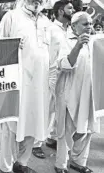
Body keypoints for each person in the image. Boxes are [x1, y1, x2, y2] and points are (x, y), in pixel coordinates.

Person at [0, 0, 52, 173]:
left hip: (40, 85)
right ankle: (5, 167)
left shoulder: (47, 22)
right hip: (17, 83)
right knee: (11, 126)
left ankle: (22, 163)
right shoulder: (11, 17)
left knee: (33, 123)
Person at [54, 12, 99, 173]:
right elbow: (64, 65)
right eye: (85, 24)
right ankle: (61, 164)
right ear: (73, 26)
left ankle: (79, 161)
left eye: (90, 24)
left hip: (90, 93)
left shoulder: (95, 41)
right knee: (66, 130)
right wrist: (78, 45)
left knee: (87, 130)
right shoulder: (64, 40)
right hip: (70, 92)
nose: (89, 27)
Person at [32, 0, 75, 159]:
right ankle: (36, 143)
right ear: (61, 11)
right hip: (50, 74)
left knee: (63, 110)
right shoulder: (49, 29)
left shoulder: (71, 30)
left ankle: (52, 137)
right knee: (47, 110)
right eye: (70, 8)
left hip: (68, 75)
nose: (73, 11)